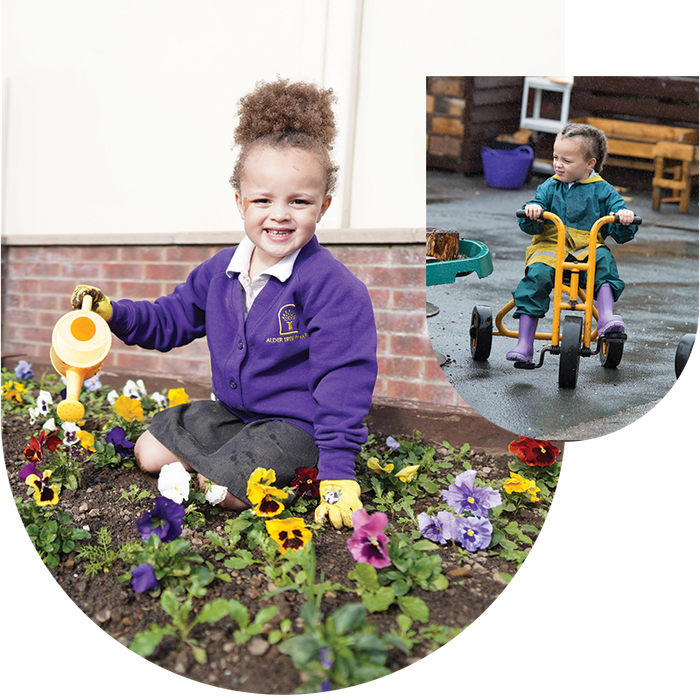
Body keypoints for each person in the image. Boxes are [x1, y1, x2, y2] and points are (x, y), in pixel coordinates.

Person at [71, 78, 378, 529]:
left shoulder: (334, 287)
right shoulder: (221, 271)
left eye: (299, 201)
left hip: (295, 427)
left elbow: (343, 380)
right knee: (148, 452)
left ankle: (231, 473)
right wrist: (112, 312)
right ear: (239, 202)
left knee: (233, 493)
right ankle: (221, 461)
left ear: (324, 205)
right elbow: (170, 319)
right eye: (262, 199)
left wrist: (336, 471)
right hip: (233, 415)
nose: (279, 214)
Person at [507, 122, 639, 364]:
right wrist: (533, 210)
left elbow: (619, 217)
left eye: (567, 160)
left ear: (590, 163)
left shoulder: (604, 190)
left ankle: (606, 317)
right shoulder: (550, 186)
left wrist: (623, 218)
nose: (558, 164)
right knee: (536, 276)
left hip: (587, 248)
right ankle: (525, 343)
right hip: (550, 247)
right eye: (556, 157)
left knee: (605, 262)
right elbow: (534, 207)